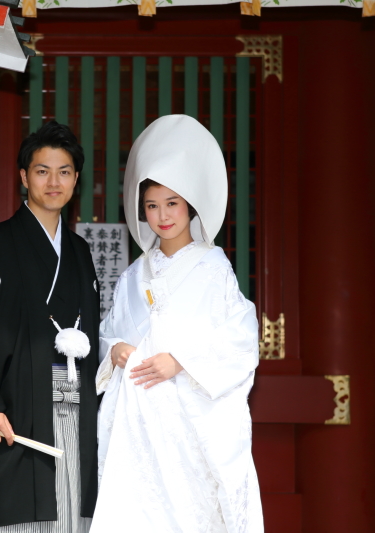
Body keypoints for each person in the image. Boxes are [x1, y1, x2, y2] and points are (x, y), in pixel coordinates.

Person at [91, 115, 264, 533]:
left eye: (172, 203)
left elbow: (240, 338)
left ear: (189, 204)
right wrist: (115, 350)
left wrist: (181, 361)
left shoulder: (213, 268)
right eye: (152, 205)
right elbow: (110, 330)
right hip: (140, 427)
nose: (162, 215)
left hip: (190, 426)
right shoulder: (133, 274)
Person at [0, 121, 100, 532]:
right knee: (14, 513)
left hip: (75, 407)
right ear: (24, 177)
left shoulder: (81, 252)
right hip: (12, 410)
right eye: (42, 171)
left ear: (76, 180)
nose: (54, 182)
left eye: (64, 172)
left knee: (70, 512)